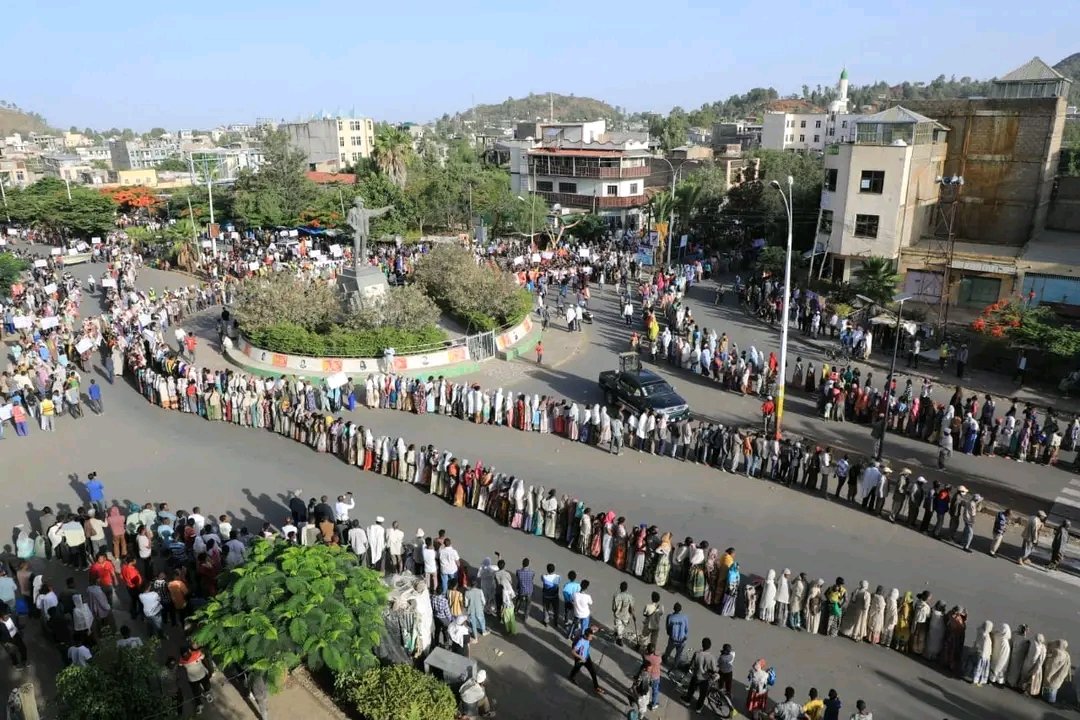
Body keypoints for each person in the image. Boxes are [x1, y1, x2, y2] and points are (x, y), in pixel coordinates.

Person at [681, 637, 718, 712]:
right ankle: (698, 708)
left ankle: (687, 701)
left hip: (696, 676)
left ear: (702, 645)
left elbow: (691, 665)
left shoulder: (697, 654)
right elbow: (714, 670)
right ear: (710, 646)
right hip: (705, 679)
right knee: (702, 695)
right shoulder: (712, 657)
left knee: (691, 690)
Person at [567, 626, 604, 694]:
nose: (591, 638)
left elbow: (593, 628)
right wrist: (580, 658)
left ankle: (596, 687)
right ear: (586, 636)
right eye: (590, 637)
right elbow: (573, 651)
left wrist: (599, 629)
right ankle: (571, 677)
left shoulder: (588, 634)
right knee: (576, 669)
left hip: (587, 657)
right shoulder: (581, 642)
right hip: (580, 659)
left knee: (593, 672)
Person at [662, 602, 689, 667]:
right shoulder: (685, 617)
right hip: (682, 640)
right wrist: (685, 636)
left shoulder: (670, 617)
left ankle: (665, 660)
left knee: (668, 650)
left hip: (673, 639)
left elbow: (668, 630)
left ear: (673, 608)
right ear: (680, 609)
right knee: (678, 653)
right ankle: (675, 665)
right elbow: (686, 629)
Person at [611, 581, 635, 647]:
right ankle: (619, 638)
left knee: (619, 627)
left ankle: (618, 637)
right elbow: (631, 608)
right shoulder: (630, 596)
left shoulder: (616, 596)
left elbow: (613, 607)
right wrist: (633, 615)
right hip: (626, 616)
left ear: (620, 588)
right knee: (621, 628)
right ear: (626, 588)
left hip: (618, 615)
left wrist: (615, 612)